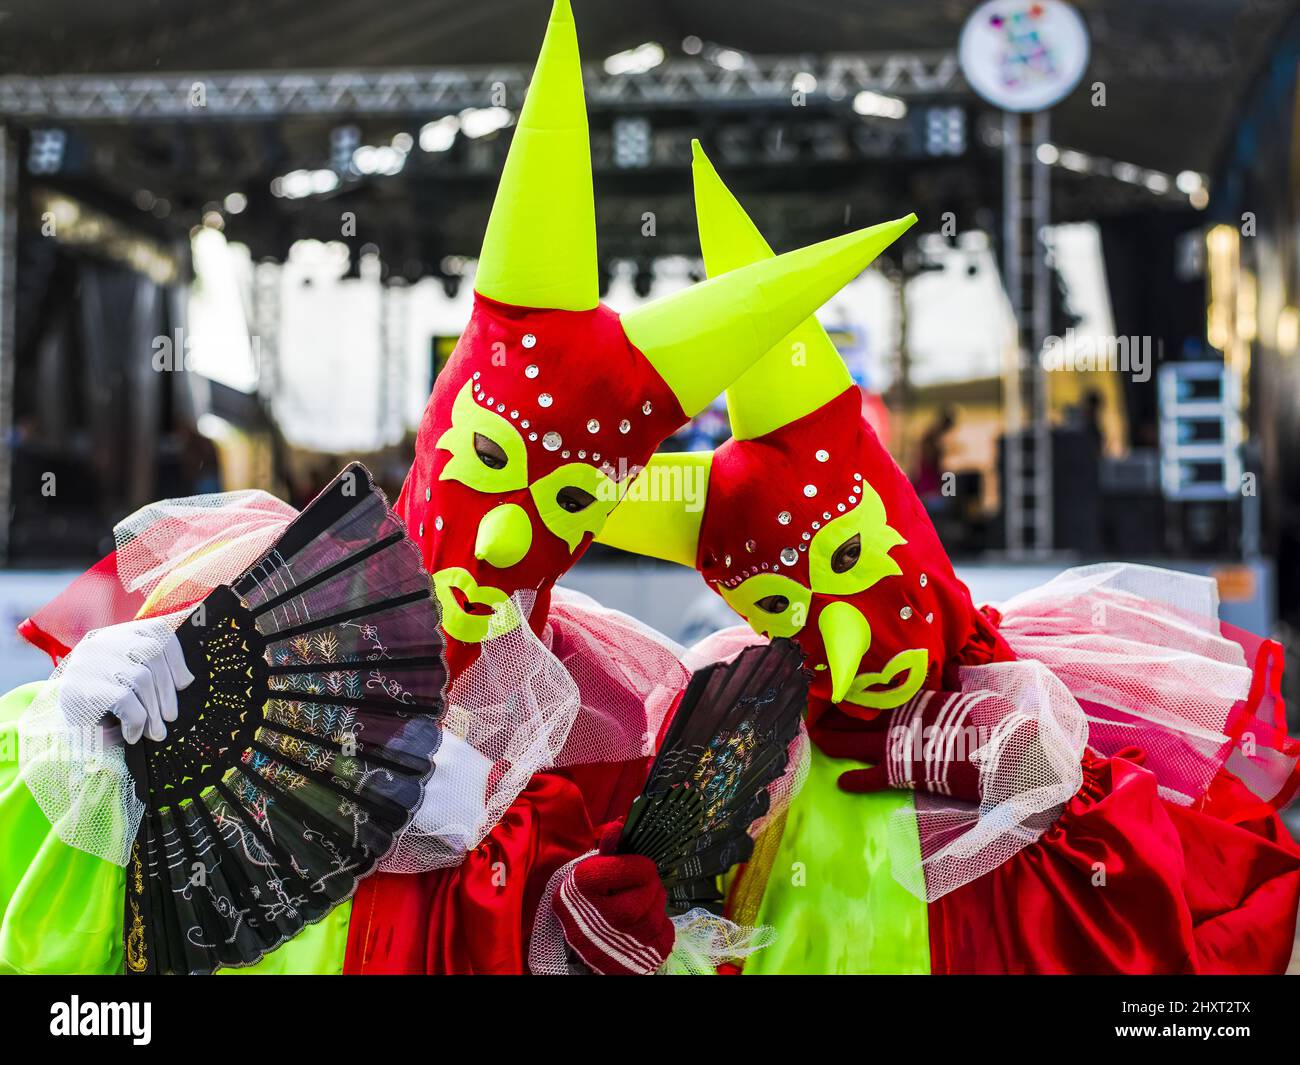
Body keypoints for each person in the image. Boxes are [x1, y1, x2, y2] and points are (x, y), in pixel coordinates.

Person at [0, 0, 912, 975]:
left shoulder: (606, 737)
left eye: (568, 503)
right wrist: (75, 744)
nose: (505, 541)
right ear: (441, 440)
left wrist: (606, 927)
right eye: (489, 466)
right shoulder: (228, 611)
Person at [596, 143, 1300, 974]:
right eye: (781, 604)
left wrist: (1019, 768)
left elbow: (1179, 930)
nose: (847, 641)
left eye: (850, 555)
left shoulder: (1036, 711)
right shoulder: (738, 745)